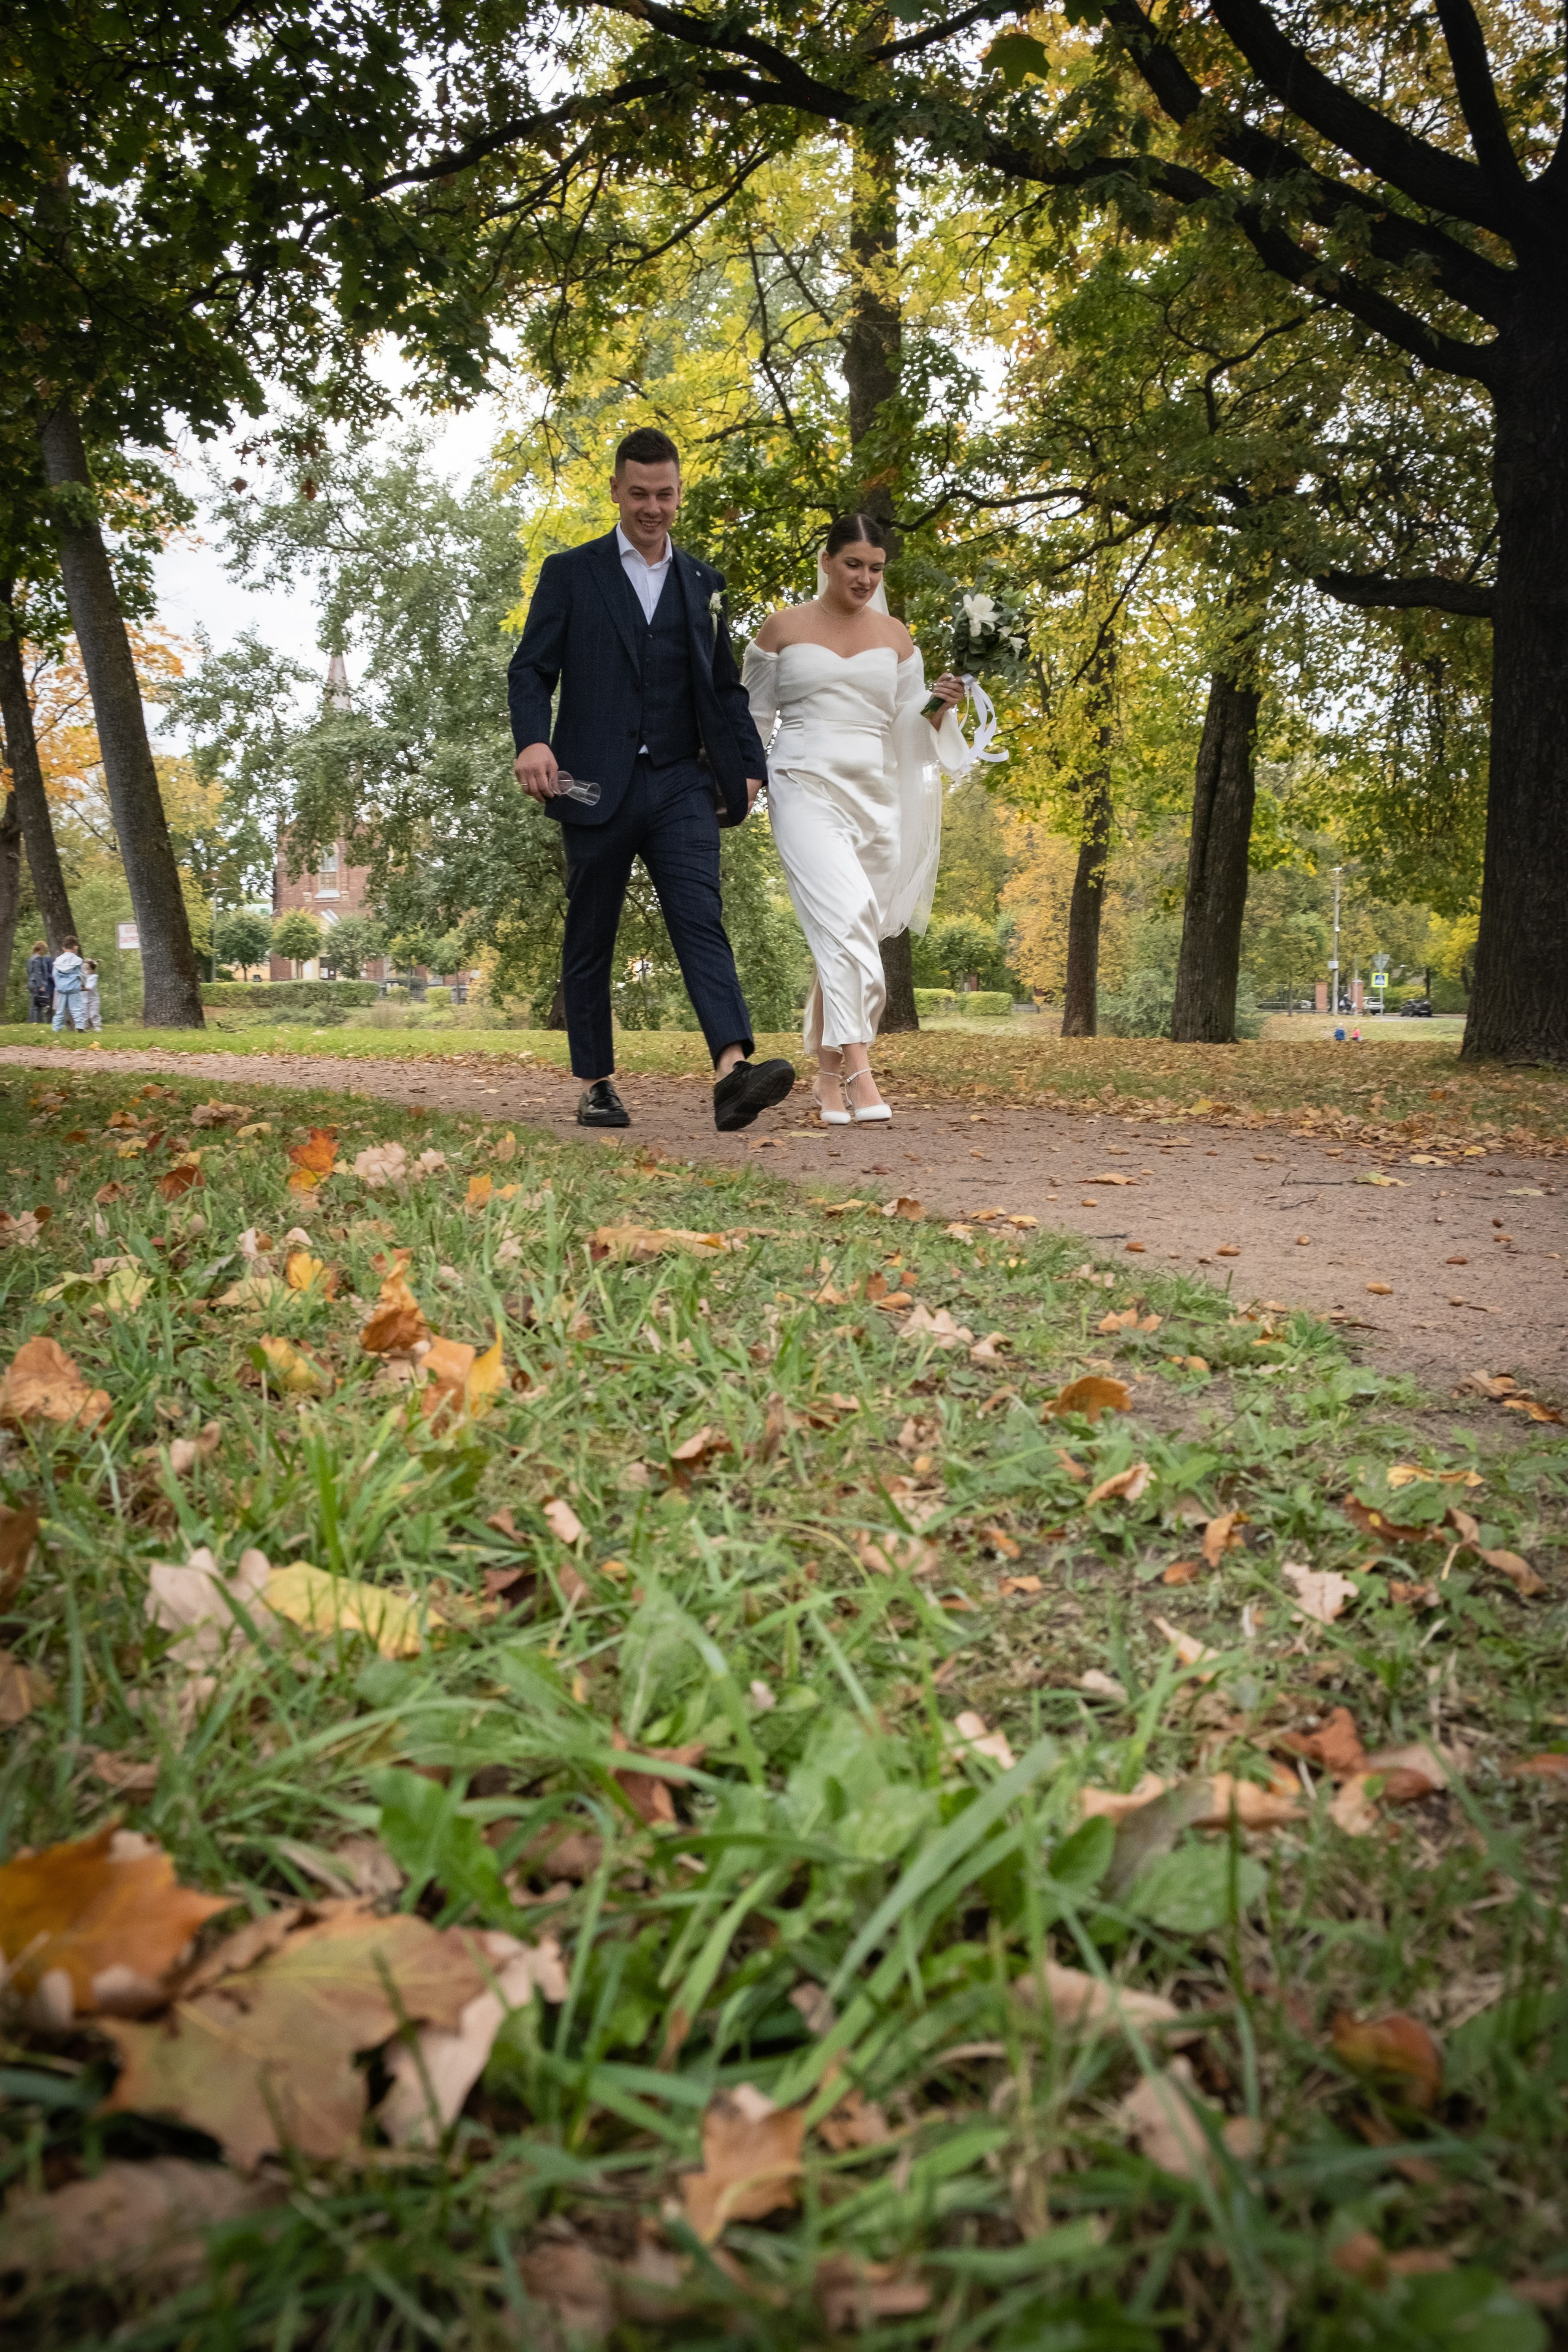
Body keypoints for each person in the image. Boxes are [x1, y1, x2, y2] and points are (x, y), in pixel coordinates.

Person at [508, 426, 796, 1133]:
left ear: (678, 493)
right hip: (591, 783)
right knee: (591, 933)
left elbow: (725, 687)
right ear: (615, 490)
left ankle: (732, 1072)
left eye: (664, 494)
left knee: (700, 917)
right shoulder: (570, 573)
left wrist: (749, 766)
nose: (652, 507)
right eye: (639, 493)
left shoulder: (704, 584)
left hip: (679, 781)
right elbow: (531, 669)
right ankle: (596, 1084)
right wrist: (534, 741)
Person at [743, 515, 970, 1124]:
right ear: (826, 561)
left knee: (848, 935)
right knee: (847, 919)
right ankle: (861, 1072)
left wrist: (940, 704)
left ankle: (825, 1083)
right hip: (802, 784)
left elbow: (909, 724)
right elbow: (753, 719)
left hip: (874, 794)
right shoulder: (781, 628)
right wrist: (742, 787)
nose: (865, 578)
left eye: (875, 568)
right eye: (853, 564)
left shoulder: (896, 638)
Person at [50, 936, 87, 1031]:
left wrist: (58, 984)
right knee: (77, 1009)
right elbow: (82, 975)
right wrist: (83, 984)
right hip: (74, 987)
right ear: (76, 947)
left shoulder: (58, 960)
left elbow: (54, 974)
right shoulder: (78, 960)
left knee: (60, 1010)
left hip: (61, 989)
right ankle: (80, 1028)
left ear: (63, 948)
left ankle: (56, 1029)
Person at [26, 940, 52, 1024]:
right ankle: (34, 1021)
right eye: (44, 950)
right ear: (41, 949)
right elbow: (38, 972)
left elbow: (29, 971)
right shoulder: (38, 958)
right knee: (36, 1004)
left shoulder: (31, 958)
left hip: (31, 981)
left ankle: (37, 1021)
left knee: (37, 1003)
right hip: (36, 983)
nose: (44, 952)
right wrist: (41, 985)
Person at [81, 959, 102, 1030]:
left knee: (94, 1014)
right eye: (83, 969)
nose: (85, 971)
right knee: (84, 1013)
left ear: (92, 970)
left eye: (87, 969)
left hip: (93, 999)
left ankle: (97, 1027)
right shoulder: (81, 977)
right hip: (83, 999)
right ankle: (85, 1027)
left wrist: (80, 989)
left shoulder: (93, 977)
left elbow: (90, 987)